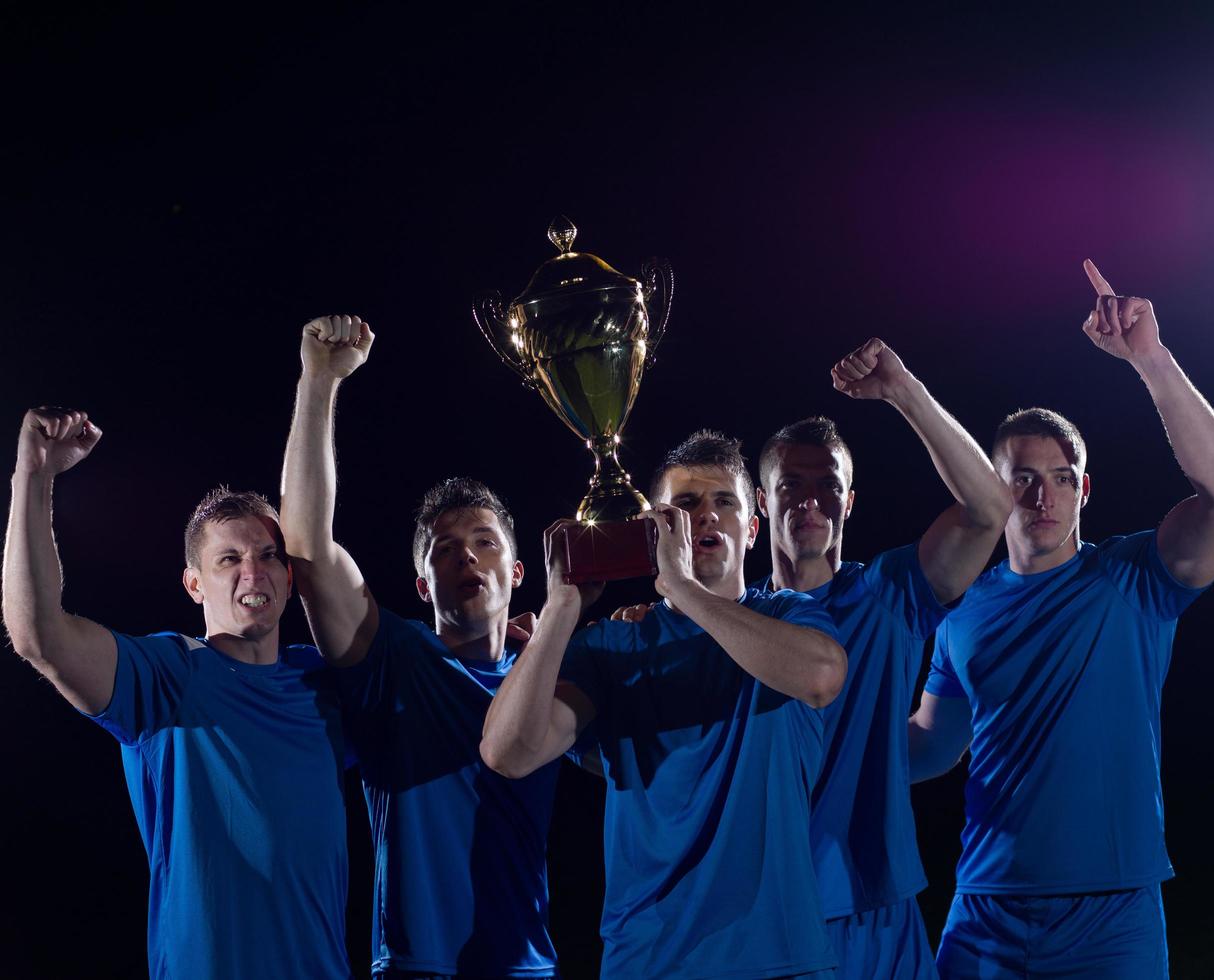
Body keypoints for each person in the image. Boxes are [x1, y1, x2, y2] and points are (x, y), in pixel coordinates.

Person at [908, 261, 1214, 978]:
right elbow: (930, 748)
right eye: (1022, 479)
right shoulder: (958, 613)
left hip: (1111, 914)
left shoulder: (1132, 578)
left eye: (1061, 477)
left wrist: (1149, 360)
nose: (1043, 496)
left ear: (1084, 490)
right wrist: (815, 734)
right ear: (996, 492)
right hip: (984, 913)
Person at [481, 429, 848, 979]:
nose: (705, 517)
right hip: (649, 960)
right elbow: (509, 753)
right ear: (655, 531)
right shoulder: (612, 644)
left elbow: (821, 677)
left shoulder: (789, 616)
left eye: (725, 502)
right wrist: (561, 609)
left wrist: (681, 589)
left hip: (777, 958)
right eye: (684, 505)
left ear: (752, 531)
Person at [1, 407, 351, 980]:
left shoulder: (326, 683)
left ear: (291, 578)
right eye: (229, 560)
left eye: (268, 557)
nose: (253, 574)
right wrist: (34, 476)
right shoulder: (167, 673)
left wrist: (504, 646)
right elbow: (38, 633)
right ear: (194, 583)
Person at [280, 314, 560, 979]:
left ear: (518, 572)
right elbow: (308, 550)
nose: (467, 556)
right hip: (416, 968)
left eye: (485, 541)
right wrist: (319, 382)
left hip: (528, 966)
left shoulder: (553, 672)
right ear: (421, 580)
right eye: (445, 548)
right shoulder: (394, 658)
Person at [744, 335, 1010, 979]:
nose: (810, 499)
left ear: (850, 501)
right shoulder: (732, 623)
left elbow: (989, 508)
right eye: (791, 484)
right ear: (761, 504)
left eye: (828, 484)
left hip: (876, 912)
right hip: (762, 914)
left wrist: (902, 391)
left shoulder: (887, 594)